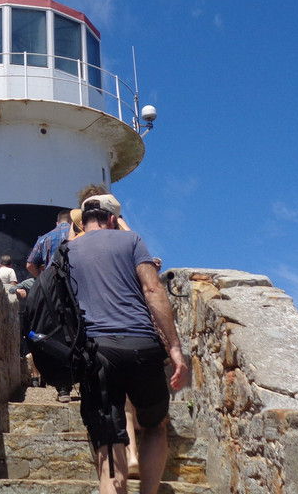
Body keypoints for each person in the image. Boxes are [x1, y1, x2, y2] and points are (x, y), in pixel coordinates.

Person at [67, 195, 188, 494]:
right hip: (141, 345)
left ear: (82, 222)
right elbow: (153, 289)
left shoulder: (67, 251)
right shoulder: (131, 240)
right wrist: (174, 348)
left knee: (109, 440)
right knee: (155, 426)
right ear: (112, 219)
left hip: (97, 351)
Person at [26, 209, 75, 401]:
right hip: (75, 286)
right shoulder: (77, 236)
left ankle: (63, 388)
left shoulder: (44, 238)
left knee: (57, 332)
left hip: (52, 291)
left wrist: (42, 280)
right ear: (71, 221)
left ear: (56, 222)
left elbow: (30, 264)